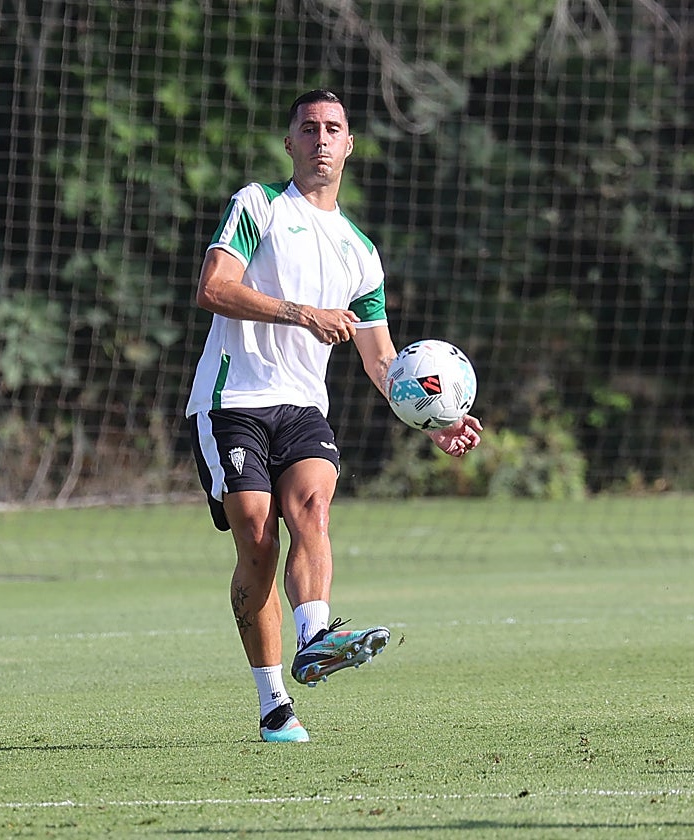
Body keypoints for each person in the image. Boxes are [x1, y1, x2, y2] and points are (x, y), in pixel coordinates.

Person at [185, 90, 483, 743]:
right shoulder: (257, 205)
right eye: (309, 128)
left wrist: (435, 421)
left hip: (301, 407)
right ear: (289, 142)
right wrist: (302, 313)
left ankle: (316, 636)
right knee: (258, 542)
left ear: (349, 146)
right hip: (232, 401)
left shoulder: (361, 252)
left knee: (312, 511)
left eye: (334, 129)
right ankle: (272, 702)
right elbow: (213, 287)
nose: (321, 139)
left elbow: (382, 361)